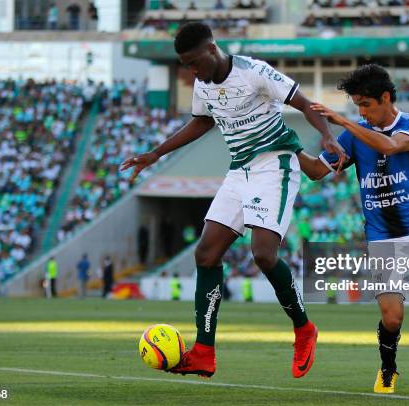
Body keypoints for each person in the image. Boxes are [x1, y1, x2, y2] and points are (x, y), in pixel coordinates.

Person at [121, 22, 344, 379]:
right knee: (206, 254)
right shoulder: (202, 84)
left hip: (275, 166)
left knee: (263, 255)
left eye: (194, 62)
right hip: (239, 169)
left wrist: (327, 135)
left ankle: (304, 330)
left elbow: (303, 103)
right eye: (185, 65)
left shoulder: (253, 72)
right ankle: (204, 353)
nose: (192, 71)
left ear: (212, 49)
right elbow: (200, 123)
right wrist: (157, 153)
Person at [298, 64, 409, 393]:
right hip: (382, 239)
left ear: (385, 97)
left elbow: (390, 146)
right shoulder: (354, 135)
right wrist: (287, 146)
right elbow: (315, 171)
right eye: (356, 107)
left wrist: (342, 122)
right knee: (392, 318)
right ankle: (388, 368)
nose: (362, 112)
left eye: (366, 105)